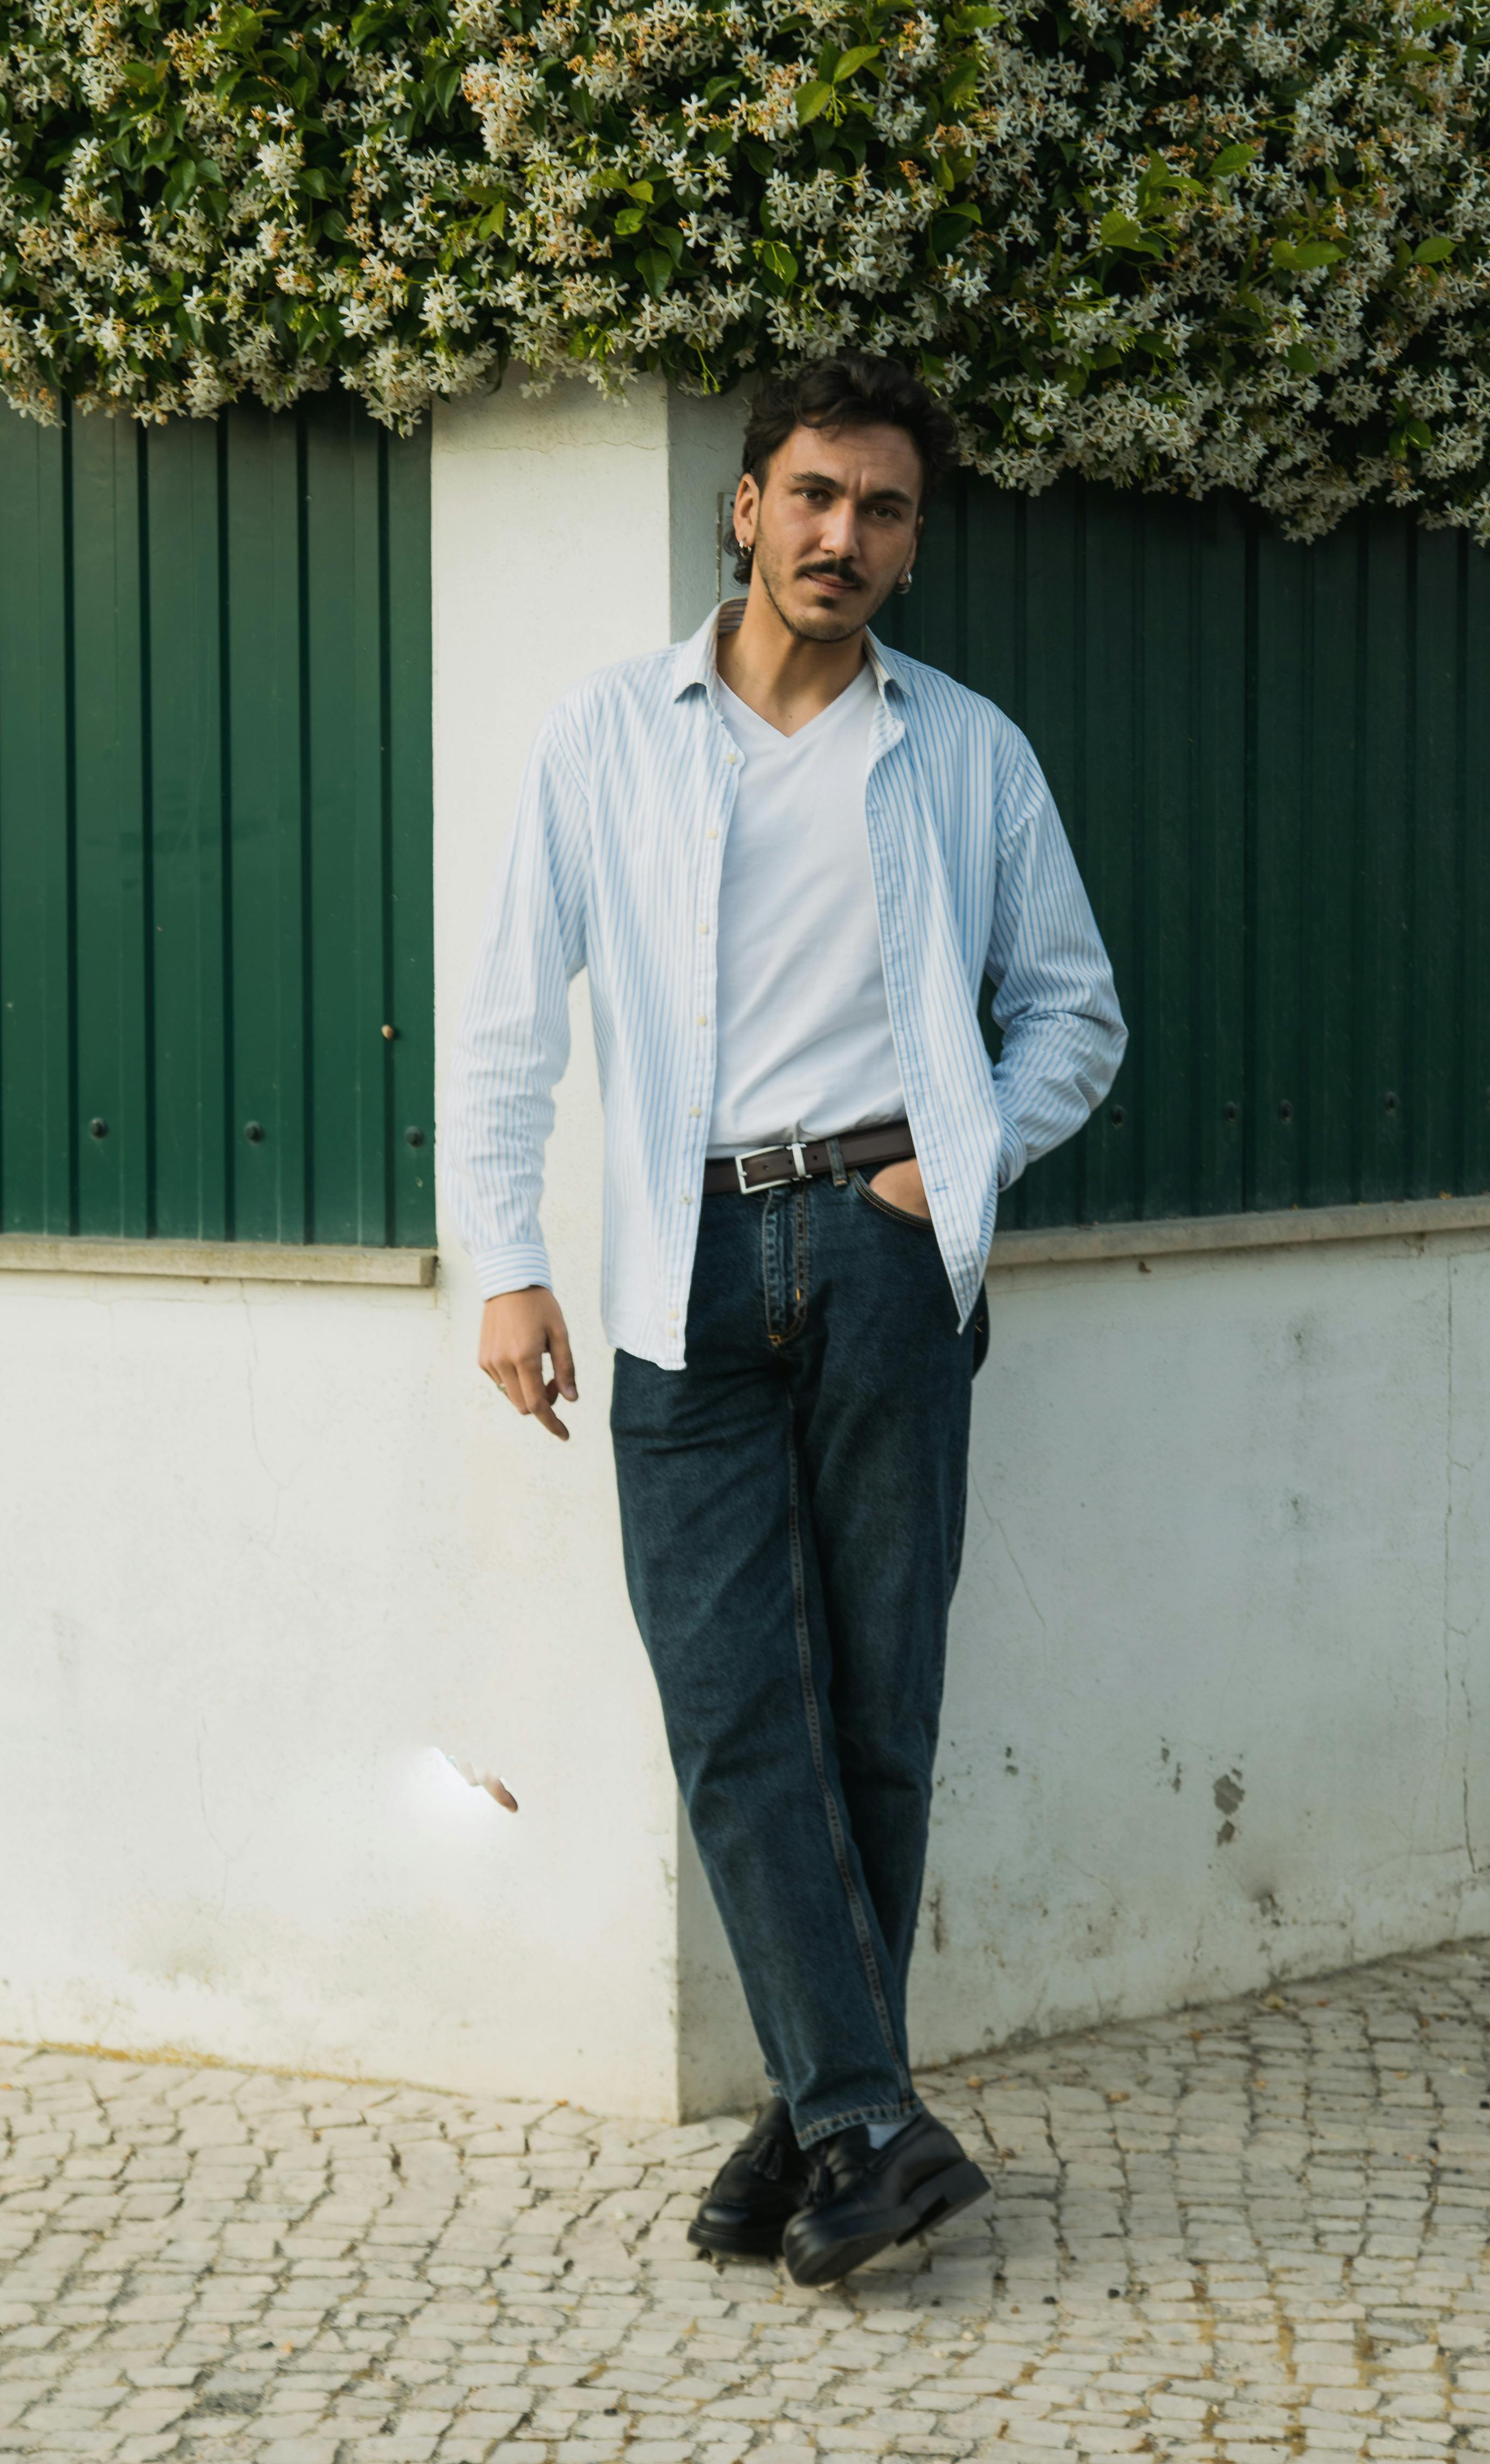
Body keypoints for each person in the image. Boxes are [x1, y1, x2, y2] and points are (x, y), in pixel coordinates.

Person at [442, 349, 1125, 2289]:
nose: (841, 535)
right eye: (811, 494)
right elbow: (507, 1019)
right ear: (743, 504)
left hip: (891, 1250)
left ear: (911, 541)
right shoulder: (606, 737)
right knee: (734, 1695)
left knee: (875, 1711)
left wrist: (952, 1172)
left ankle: (815, 2122)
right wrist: (507, 1256)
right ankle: (858, 2115)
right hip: (682, 1262)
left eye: (881, 508)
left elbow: (1073, 1010)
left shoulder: (968, 754)